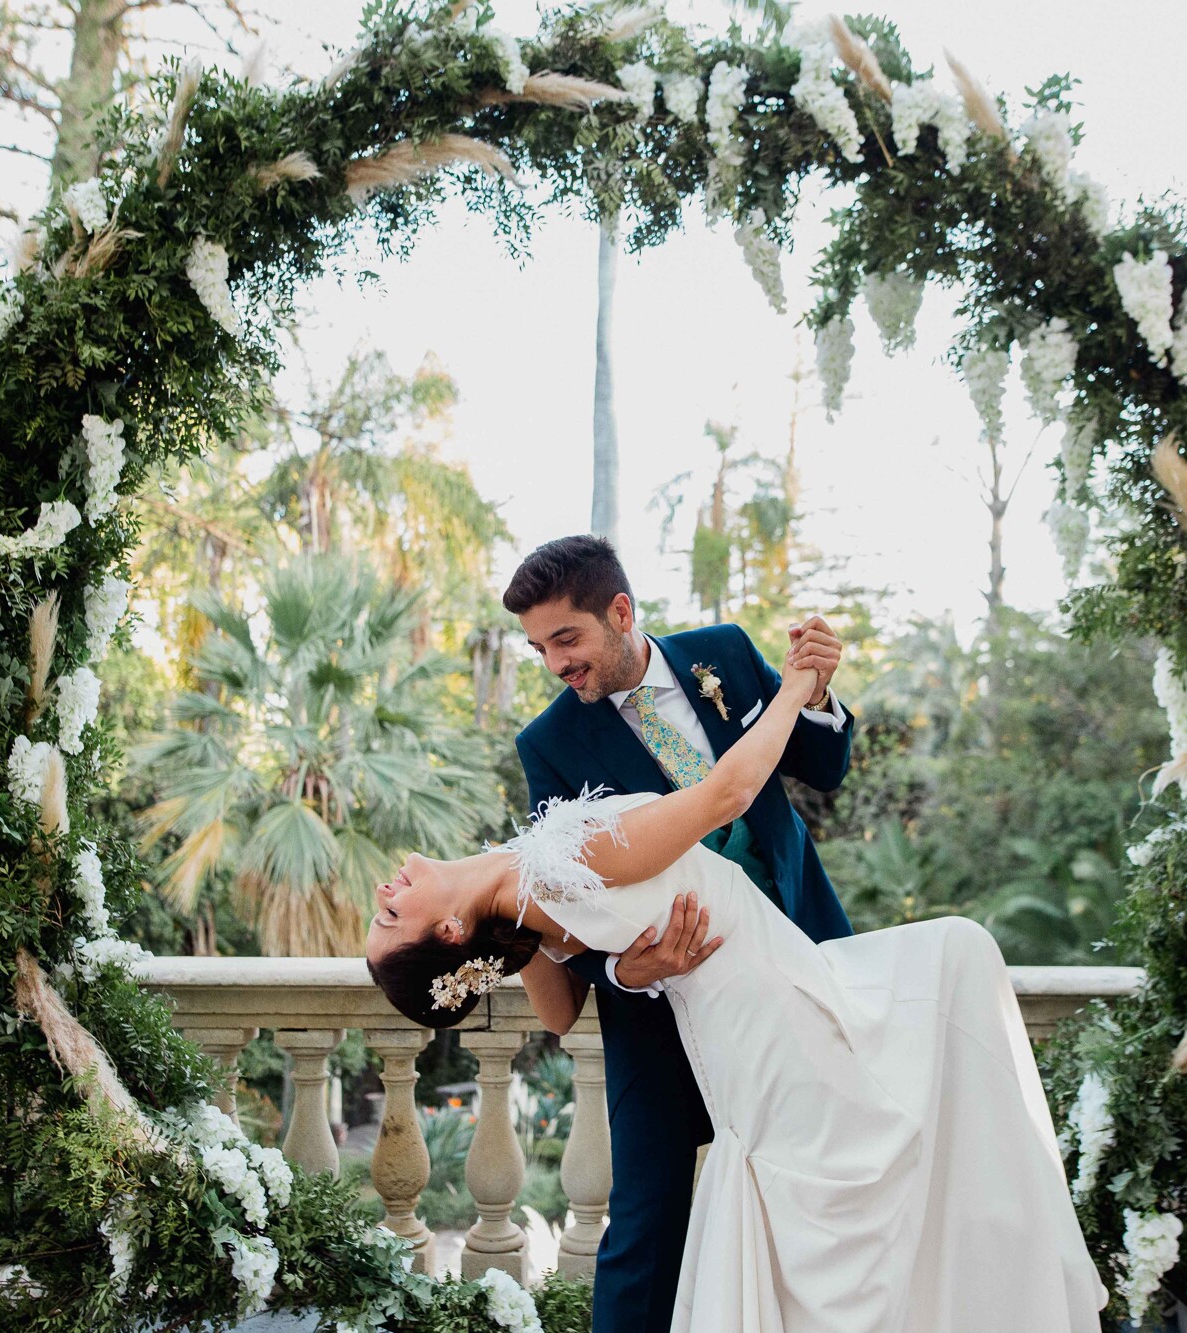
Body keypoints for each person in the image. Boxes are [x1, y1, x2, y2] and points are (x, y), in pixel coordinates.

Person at [363, 644, 1107, 1332]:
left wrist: (585, 955)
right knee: (953, 966)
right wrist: (792, 691)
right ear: (451, 936)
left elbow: (559, 1014)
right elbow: (724, 794)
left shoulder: (516, 893)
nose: (386, 888)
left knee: (843, 1185)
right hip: (770, 1014)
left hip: (752, 1011)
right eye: (392, 915)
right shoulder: (540, 879)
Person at [503, 535, 853, 1333]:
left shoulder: (723, 654)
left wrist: (820, 692)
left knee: (822, 1188)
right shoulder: (547, 746)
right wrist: (629, 969)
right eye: (539, 648)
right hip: (658, 1005)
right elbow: (563, 898)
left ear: (620, 612)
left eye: (567, 638)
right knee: (646, 1222)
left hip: (797, 958)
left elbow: (819, 766)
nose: (556, 663)